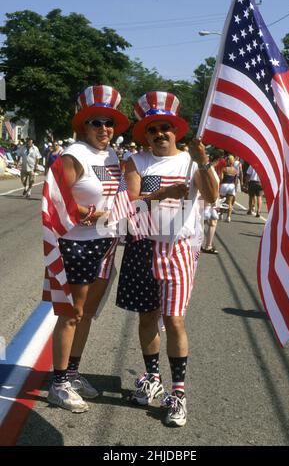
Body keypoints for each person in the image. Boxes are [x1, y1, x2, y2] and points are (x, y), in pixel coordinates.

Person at [116, 91, 219, 427]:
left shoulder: (191, 162)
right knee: (147, 318)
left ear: (177, 131)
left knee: (174, 320)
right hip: (143, 245)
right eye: (153, 128)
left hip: (177, 249)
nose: (160, 133)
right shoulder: (137, 161)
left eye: (166, 127)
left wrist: (203, 162)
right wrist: (161, 194)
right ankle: (153, 378)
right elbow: (130, 202)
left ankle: (179, 394)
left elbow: (212, 196)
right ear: (145, 133)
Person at [46, 84, 129, 413]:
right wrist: (88, 214)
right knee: (71, 315)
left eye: (109, 122)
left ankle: (73, 373)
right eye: (97, 122)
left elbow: (119, 195)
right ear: (83, 125)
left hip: (106, 244)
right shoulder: (73, 155)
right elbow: (57, 200)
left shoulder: (111, 155)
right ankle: (58, 384)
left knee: (88, 315)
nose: (105, 129)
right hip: (76, 246)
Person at [219, 155, 238, 223]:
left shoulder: (224, 169)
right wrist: (235, 188)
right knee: (230, 202)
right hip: (231, 186)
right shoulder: (235, 170)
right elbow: (236, 181)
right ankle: (229, 217)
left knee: (222, 201)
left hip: (224, 185)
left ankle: (221, 214)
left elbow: (221, 178)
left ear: (227, 161)